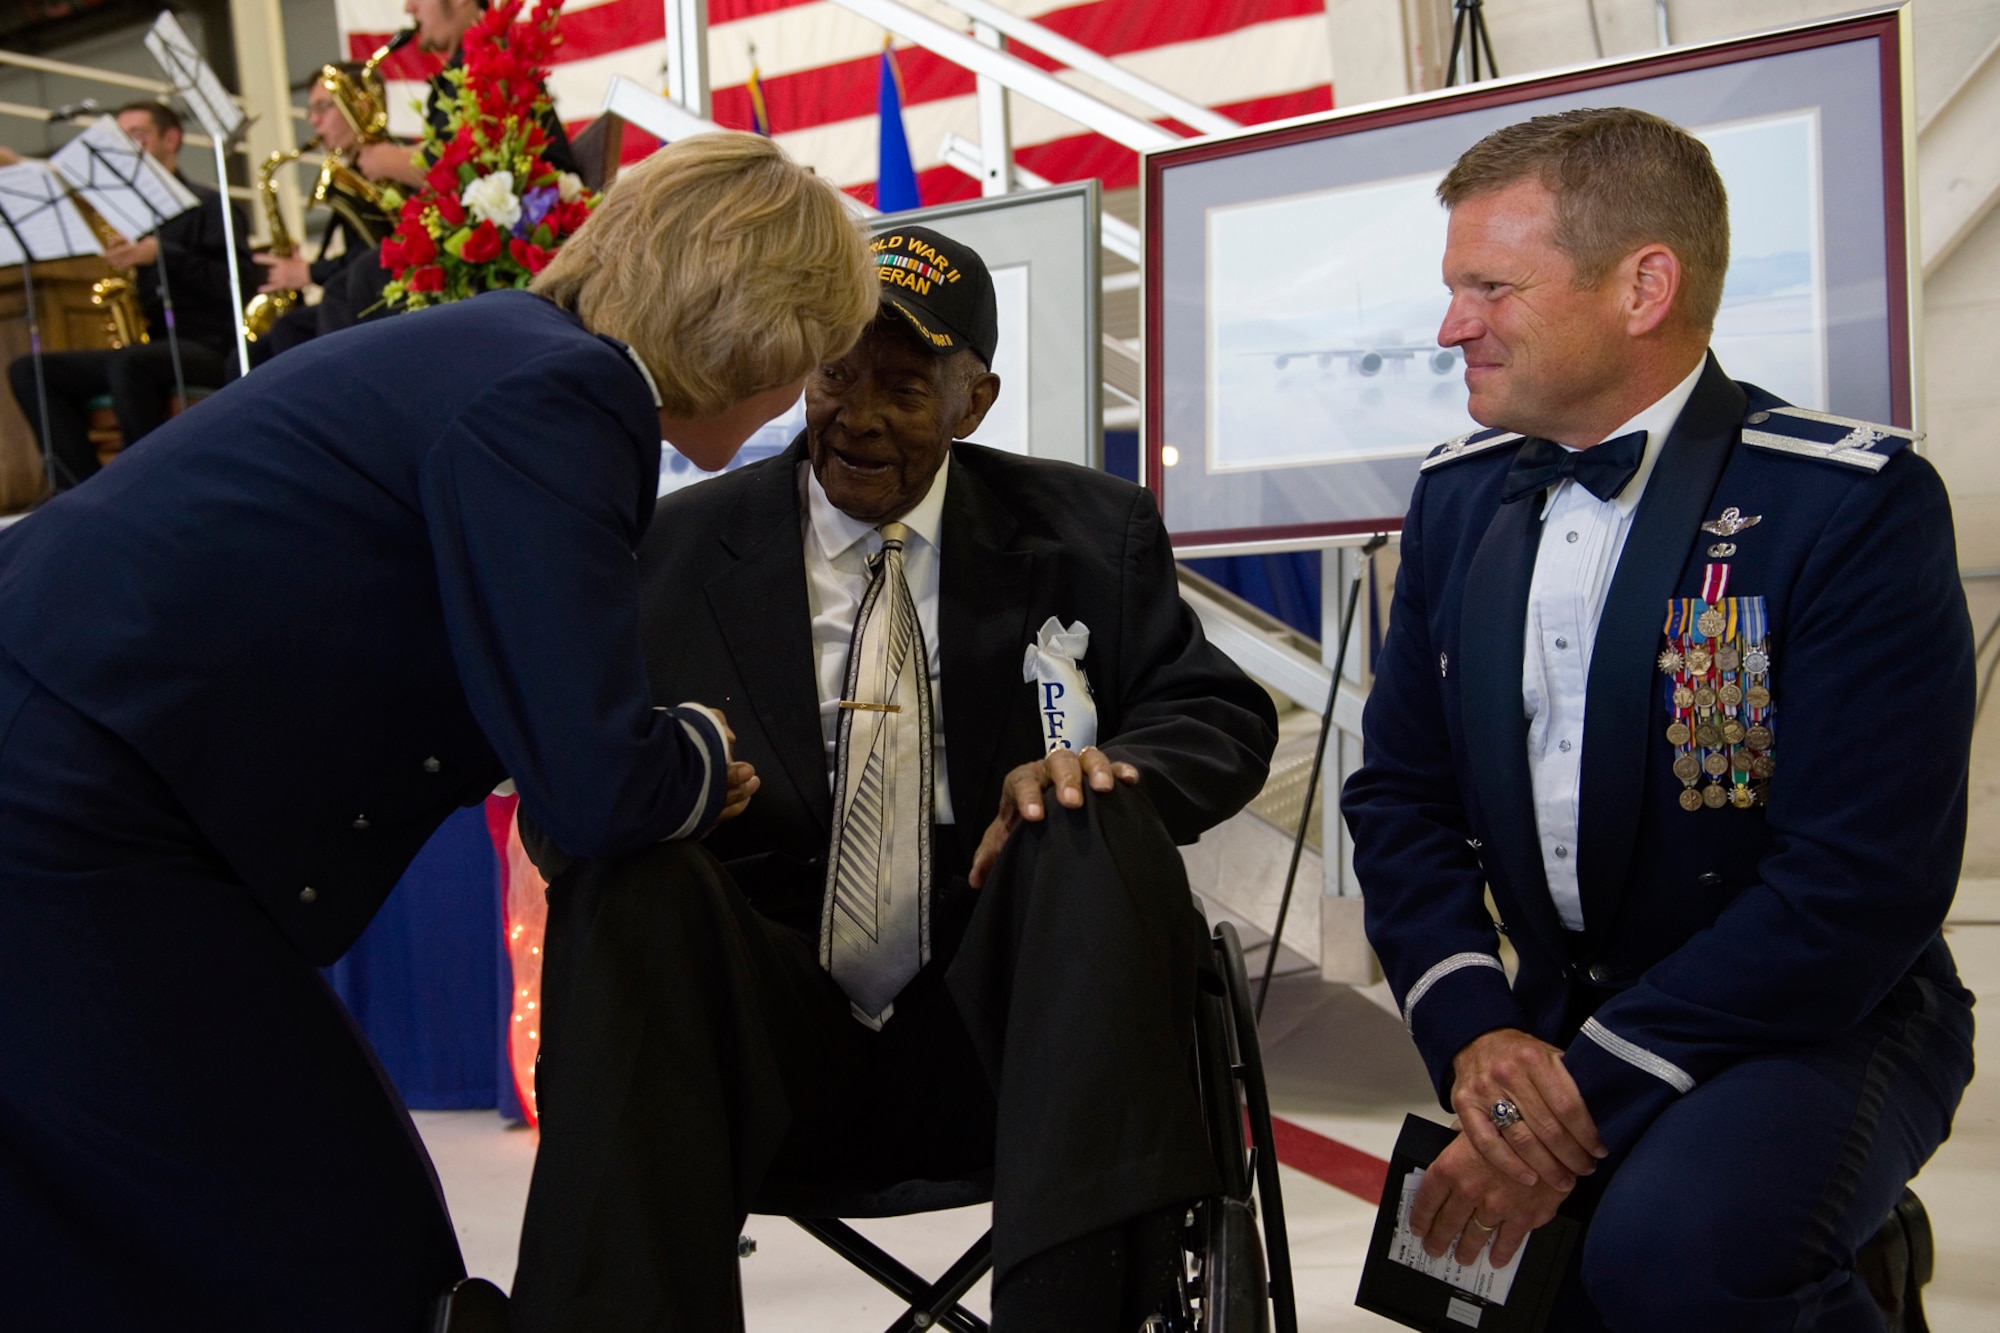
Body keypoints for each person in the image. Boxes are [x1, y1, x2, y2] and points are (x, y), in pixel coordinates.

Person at [0, 133, 873, 1330]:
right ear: (759, 332)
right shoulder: (564, 399)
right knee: (323, 1224)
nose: (806, 400)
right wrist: (701, 754)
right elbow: (595, 778)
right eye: (813, 362)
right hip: (69, 790)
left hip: (84, 764)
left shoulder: (506, 355)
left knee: (143, 1212)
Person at [506, 225, 1280, 1331]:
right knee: (628, 880)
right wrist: (661, 786)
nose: (856, 415)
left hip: (1020, 1041)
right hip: (749, 1041)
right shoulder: (668, 550)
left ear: (973, 402)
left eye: (904, 387)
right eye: (833, 375)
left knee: (1083, 818)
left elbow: (1212, 711)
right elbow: (561, 779)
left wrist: (1106, 767)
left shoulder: (1086, 532)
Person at [1341, 107, 1976, 1331]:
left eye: (1488, 286)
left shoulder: (1844, 506)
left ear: (1641, 287)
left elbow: (1855, 888)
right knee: (1467, 1277)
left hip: (1816, 1013)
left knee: (1674, 1259)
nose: (1449, 325)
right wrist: (1476, 1031)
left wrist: (1578, 1089)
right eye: (1450, 288)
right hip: (1544, 1013)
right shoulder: (1456, 502)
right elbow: (1399, 801)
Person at [4, 101, 254, 491]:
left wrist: (162, 254)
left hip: (210, 344)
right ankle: (81, 489)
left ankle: (143, 487)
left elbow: (238, 283)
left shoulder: (209, 204)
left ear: (171, 139)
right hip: (150, 346)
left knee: (130, 363)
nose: (127, 147)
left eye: (137, 136)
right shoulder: (126, 215)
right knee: (31, 370)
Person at [326, 0, 577, 334]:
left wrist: (393, 161)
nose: (408, 8)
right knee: (342, 288)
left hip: (513, 246)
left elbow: (475, 167)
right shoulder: (467, 65)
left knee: (362, 278)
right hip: (485, 236)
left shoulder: (495, 60)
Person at [247, 61, 396, 362]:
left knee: (290, 330)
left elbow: (380, 251)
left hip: (383, 299)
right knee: (254, 351)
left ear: (360, 105)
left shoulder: (394, 166)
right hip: (357, 294)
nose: (313, 121)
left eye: (323, 107)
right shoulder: (351, 174)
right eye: (310, 111)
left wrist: (308, 272)